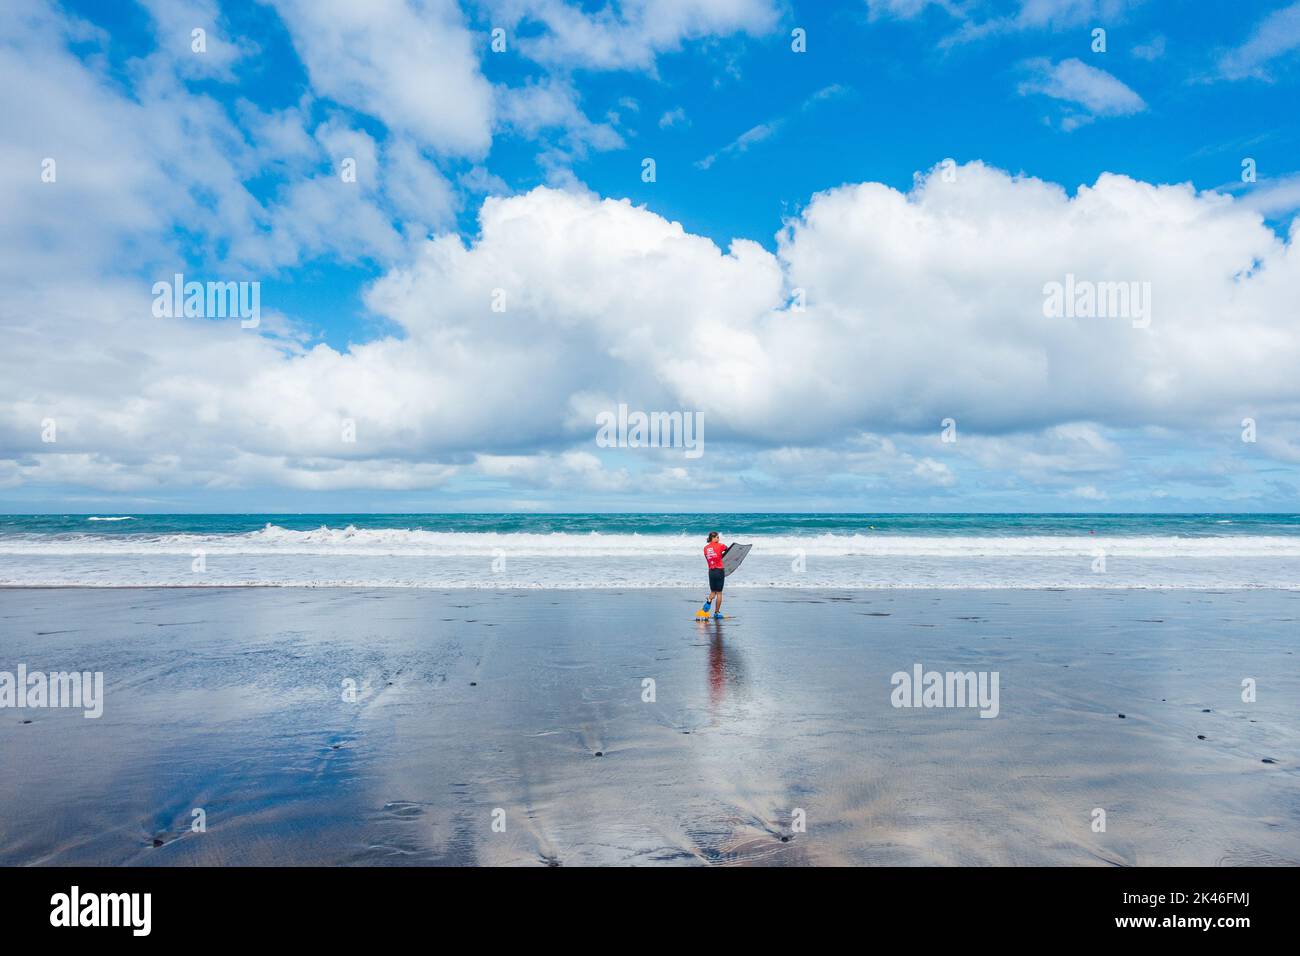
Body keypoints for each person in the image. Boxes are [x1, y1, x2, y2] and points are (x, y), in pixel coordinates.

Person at [699, 531, 729, 619]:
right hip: (719, 571)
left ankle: (708, 602)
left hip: (711, 572)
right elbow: (727, 549)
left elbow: (710, 557)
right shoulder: (720, 545)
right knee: (719, 593)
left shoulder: (705, 548)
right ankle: (716, 613)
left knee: (713, 592)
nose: (718, 539)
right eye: (717, 537)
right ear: (714, 538)